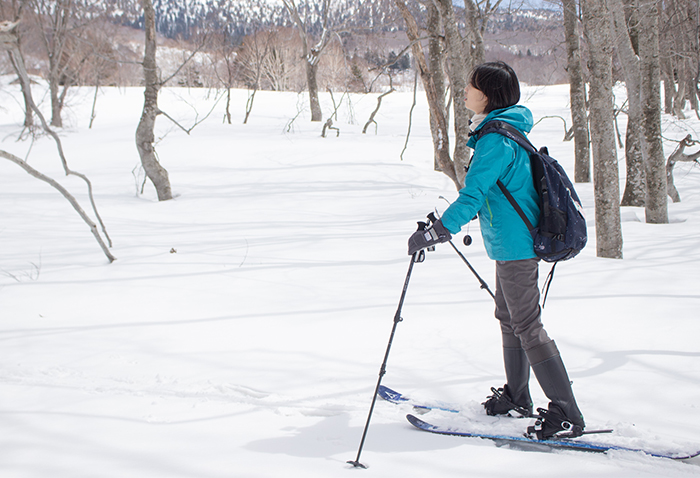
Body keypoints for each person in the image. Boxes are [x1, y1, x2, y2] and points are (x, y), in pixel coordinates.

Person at [407, 61, 585, 440]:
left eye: (471, 86)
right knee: (508, 316)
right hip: (511, 244)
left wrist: (438, 231)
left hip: (518, 246)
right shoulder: (504, 132)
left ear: (487, 94)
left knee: (526, 325)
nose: (466, 91)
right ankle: (519, 396)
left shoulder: (495, 140)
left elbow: (474, 194)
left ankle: (567, 414)